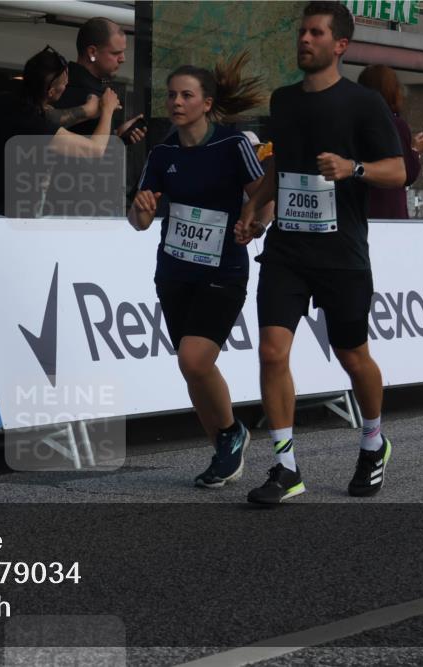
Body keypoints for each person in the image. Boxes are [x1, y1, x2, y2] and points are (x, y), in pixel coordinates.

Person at [235, 1, 406, 504]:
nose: (305, 40)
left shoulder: (363, 104)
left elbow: (398, 171)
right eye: (302, 32)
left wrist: (354, 168)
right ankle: (286, 468)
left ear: (340, 45)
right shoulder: (284, 101)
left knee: (353, 356)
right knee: (271, 352)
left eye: (316, 33)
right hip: (287, 250)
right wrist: (254, 208)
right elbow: (280, 166)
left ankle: (373, 442)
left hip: (342, 253)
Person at [130, 56, 266, 489]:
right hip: (174, 271)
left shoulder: (232, 145)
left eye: (186, 95)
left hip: (223, 270)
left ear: (206, 103)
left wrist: (254, 222)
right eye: (171, 95)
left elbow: (263, 196)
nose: (176, 102)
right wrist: (140, 208)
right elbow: (139, 221)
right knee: (191, 367)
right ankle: (224, 448)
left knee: (194, 358)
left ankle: (232, 432)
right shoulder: (163, 153)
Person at [0, 46, 119, 215]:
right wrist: (107, 110)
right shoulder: (37, 126)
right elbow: (95, 149)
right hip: (14, 215)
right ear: (51, 92)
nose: (66, 85)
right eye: (64, 83)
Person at [357, 65, 423, 219]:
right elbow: (407, 174)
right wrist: (415, 150)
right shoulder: (395, 125)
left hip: (358, 208)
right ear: (392, 91)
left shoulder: (355, 122)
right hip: (387, 209)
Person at [51, 17, 145, 145]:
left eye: (123, 52)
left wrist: (117, 136)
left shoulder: (99, 85)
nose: (123, 59)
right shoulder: (69, 88)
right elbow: (83, 150)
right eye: (116, 53)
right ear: (92, 52)